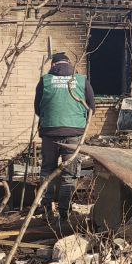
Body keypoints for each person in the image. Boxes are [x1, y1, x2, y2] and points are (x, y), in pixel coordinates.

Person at [34, 52, 95, 210]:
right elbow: (91, 108)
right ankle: (64, 211)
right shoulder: (81, 80)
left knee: (48, 170)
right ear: (70, 64)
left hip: (50, 133)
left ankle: (47, 208)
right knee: (70, 173)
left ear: (53, 65)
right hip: (74, 133)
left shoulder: (45, 80)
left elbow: (37, 108)